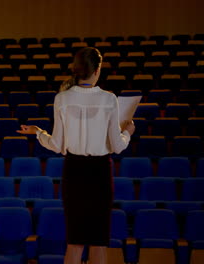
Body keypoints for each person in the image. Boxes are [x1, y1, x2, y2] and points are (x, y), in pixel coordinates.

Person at [17, 47, 135, 264]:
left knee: (75, 240)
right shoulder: (109, 99)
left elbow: (57, 144)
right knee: (99, 241)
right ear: (98, 69)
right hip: (99, 172)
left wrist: (39, 132)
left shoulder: (62, 98)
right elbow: (117, 146)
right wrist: (127, 132)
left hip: (74, 171)